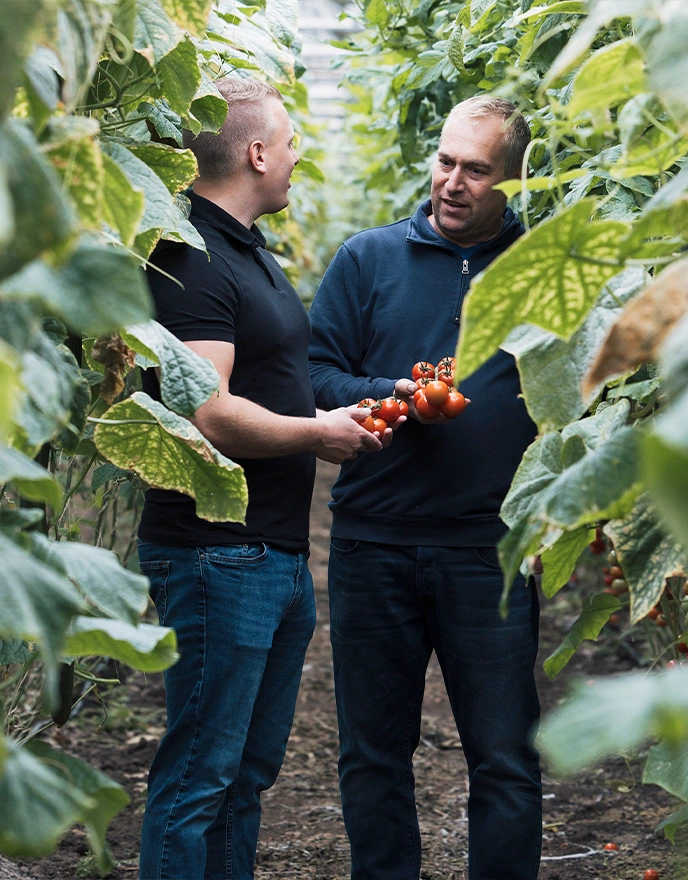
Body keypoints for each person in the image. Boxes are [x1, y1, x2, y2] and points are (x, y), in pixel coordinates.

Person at [136, 77, 391, 880]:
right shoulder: (190, 257)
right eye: (288, 142)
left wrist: (379, 400)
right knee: (198, 779)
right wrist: (317, 433)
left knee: (244, 775)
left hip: (268, 554)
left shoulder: (243, 247)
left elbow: (279, 377)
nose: (295, 157)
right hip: (216, 554)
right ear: (254, 153)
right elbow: (208, 411)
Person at [308, 95, 542, 880]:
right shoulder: (367, 259)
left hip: (492, 552)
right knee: (373, 755)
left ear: (514, 180)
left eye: (477, 170)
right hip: (374, 543)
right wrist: (401, 396)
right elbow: (315, 373)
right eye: (446, 161)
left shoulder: (543, 270)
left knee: (505, 759)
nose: (453, 182)